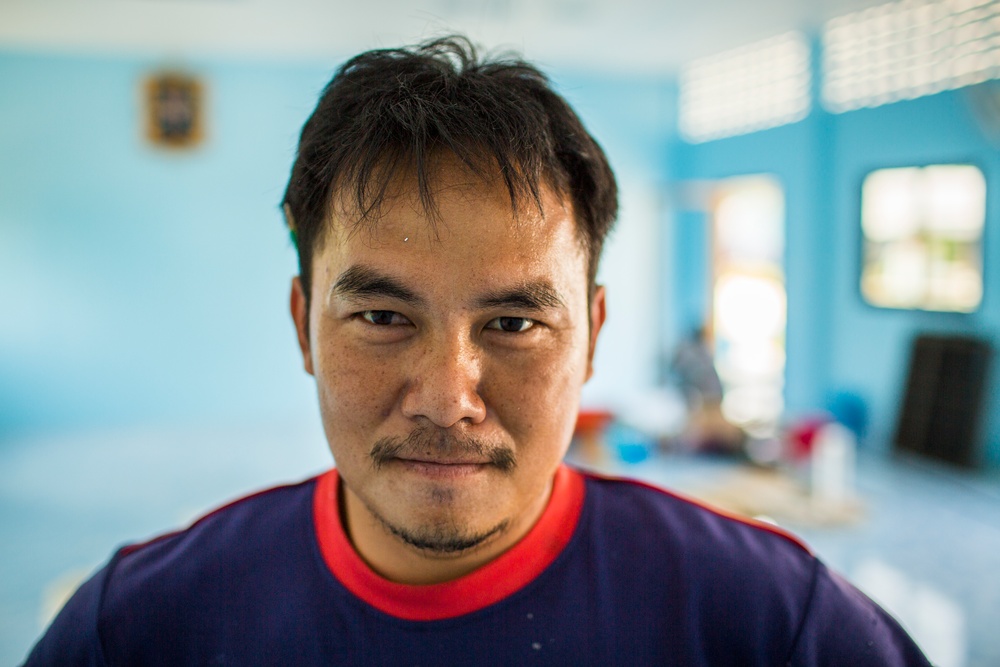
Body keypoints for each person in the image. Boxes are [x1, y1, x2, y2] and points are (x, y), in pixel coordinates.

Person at [25, 36, 929, 666]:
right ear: (304, 323)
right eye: (382, 317)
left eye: (513, 323)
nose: (447, 397)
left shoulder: (768, 622)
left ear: (593, 339)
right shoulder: (142, 627)